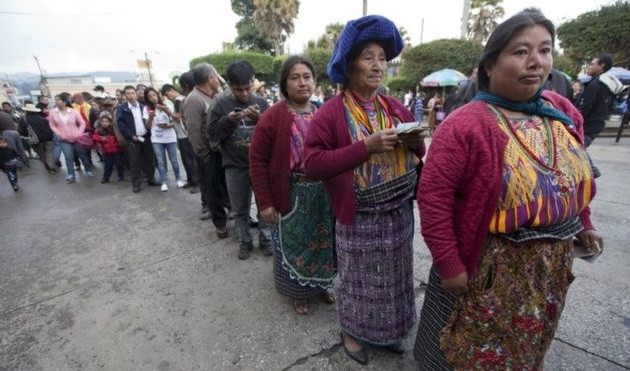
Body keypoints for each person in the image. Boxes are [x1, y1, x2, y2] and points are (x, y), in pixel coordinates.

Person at [413, 9, 602, 370]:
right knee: (480, 348)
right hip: (495, 269)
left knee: (533, 341)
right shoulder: (465, 125)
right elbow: (433, 198)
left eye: (544, 50)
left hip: (550, 267)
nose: (536, 62)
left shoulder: (559, 110)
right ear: (489, 65)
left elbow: (573, 173)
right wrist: (450, 264)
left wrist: (584, 221)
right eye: (520, 52)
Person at [304, 15, 425, 365]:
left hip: (399, 214)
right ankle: (353, 333)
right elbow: (311, 164)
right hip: (359, 218)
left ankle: (386, 334)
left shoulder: (395, 107)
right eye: (368, 57)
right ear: (349, 63)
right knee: (359, 285)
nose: (378, 66)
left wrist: (417, 142)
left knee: (394, 281)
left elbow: (418, 155)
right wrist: (364, 148)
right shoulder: (330, 113)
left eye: (383, 58)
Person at [250, 55, 336, 315]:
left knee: (323, 243)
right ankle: (298, 293)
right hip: (291, 192)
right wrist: (264, 202)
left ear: (314, 81)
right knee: (294, 243)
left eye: (307, 77)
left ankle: (321, 284)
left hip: (322, 193)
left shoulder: (322, 111)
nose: (302, 83)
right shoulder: (272, 117)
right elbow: (256, 160)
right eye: (295, 77)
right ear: (285, 83)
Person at [208, 60, 272, 260]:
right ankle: (244, 241)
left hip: (260, 165)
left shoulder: (262, 103)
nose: (244, 94)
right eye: (238, 90)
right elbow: (212, 134)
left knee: (265, 206)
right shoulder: (220, 105)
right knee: (239, 208)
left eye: (247, 88)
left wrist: (260, 120)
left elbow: (273, 133)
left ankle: (266, 239)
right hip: (234, 166)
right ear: (229, 85)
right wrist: (228, 121)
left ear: (253, 82)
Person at [181, 64, 229, 236]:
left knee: (225, 185)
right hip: (207, 153)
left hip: (220, 150)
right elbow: (193, 131)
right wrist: (204, 155)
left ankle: (233, 213)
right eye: (217, 76)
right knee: (213, 190)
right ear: (210, 78)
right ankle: (220, 223)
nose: (219, 79)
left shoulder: (214, 96)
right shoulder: (194, 100)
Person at [116, 85, 160, 193]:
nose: (130, 96)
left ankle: (151, 179)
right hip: (132, 139)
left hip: (145, 137)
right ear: (124, 96)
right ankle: (136, 184)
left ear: (136, 94)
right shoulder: (122, 109)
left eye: (132, 93)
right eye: (128, 94)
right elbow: (121, 125)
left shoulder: (143, 107)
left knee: (150, 160)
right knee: (135, 162)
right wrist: (130, 136)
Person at [143, 87, 184, 192]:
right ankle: (164, 181)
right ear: (147, 98)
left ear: (157, 95)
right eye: (150, 96)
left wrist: (167, 125)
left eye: (154, 95)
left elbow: (175, 120)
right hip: (156, 139)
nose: (153, 98)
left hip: (170, 137)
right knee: (161, 161)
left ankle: (178, 179)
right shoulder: (146, 108)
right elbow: (147, 126)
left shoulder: (167, 105)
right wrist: (151, 117)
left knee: (174, 160)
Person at [48, 93, 93, 182]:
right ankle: (71, 174)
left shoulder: (72, 111)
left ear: (64, 101)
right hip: (64, 139)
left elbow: (82, 123)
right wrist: (59, 133)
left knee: (82, 155)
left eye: (58, 99)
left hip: (76, 138)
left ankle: (88, 170)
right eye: (55, 100)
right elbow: (52, 125)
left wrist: (79, 133)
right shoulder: (53, 113)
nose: (56, 101)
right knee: (68, 157)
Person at [161, 83, 197, 192]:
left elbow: (178, 117)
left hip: (185, 134)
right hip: (181, 134)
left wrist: (167, 111)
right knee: (186, 160)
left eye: (167, 95)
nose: (168, 97)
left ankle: (196, 182)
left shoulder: (179, 100)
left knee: (190, 160)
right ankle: (191, 180)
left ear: (171, 90)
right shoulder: (180, 100)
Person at [577, 53, 616, 147]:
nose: (589, 67)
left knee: (576, 151)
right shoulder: (607, 84)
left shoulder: (595, 84)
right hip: (597, 124)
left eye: (592, 64)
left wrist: (576, 122)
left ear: (601, 66)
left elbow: (585, 107)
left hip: (587, 126)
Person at [23, 103, 56, 173]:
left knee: (42, 154)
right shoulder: (42, 119)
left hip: (36, 140)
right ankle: (52, 167)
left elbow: (24, 131)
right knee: (49, 153)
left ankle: (48, 168)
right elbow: (50, 128)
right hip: (48, 138)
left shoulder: (25, 120)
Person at [92, 112, 124, 183]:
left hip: (116, 151)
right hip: (106, 152)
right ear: (100, 122)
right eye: (103, 122)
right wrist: (100, 138)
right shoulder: (98, 130)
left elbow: (119, 138)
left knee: (119, 164)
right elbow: (94, 138)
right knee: (107, 166)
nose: (105, 123)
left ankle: (121, 177)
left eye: (107, 121)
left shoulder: (114, 130)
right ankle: (106, 178)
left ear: (110, 122)